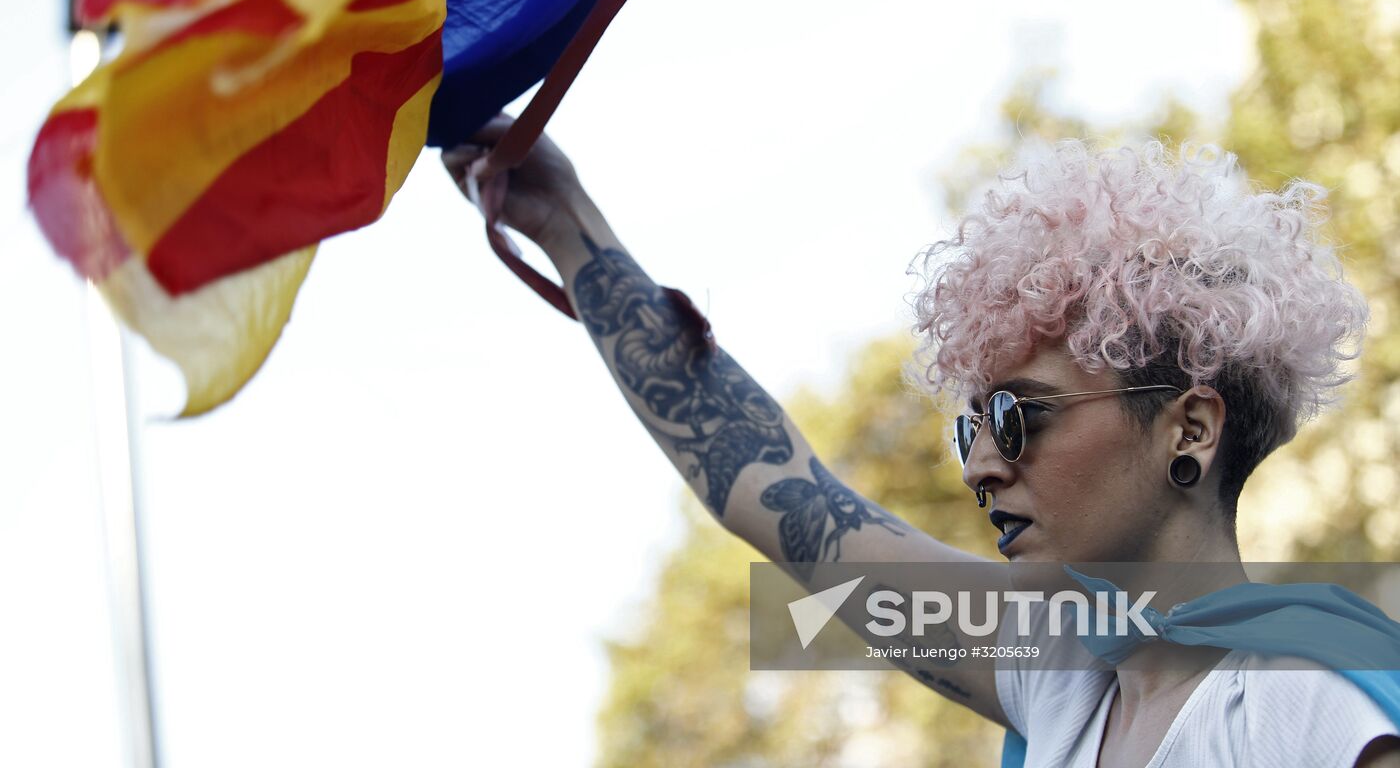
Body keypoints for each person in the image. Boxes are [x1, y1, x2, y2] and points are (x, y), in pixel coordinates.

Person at [445, 123, 1400, 766]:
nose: (983, 465)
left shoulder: (1306, 706)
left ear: (1188, 427)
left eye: (1023, 417)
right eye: (971, 427)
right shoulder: (1060, 676)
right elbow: (777, 493)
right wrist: (566, 225)